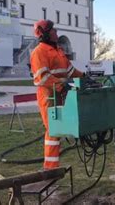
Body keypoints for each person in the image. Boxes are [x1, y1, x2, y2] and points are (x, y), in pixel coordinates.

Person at [30, 19, 84, 169]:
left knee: (59, 128)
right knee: (53, 130)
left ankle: (53, 166)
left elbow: (70, 70)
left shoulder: (58, 51)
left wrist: (84, 76)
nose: (56, 33)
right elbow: (43, 77)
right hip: (49, 96)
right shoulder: (39, 53)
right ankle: (50, 167)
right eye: (53, 30)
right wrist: (62, 85)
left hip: (60, 94)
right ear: (46, 34)